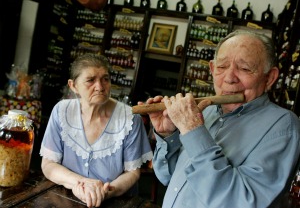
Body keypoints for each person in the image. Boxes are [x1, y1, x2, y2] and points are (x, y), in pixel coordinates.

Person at [142, 30, 300, 208]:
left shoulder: (284, 125)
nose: (229, 78)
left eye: (245, 68)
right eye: (222, 67)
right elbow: (168, 177)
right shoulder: (206, 112)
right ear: (212, 69)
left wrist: (193, 131)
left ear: (270, 78)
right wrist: (168, 134)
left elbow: (241, 203)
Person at [40, 53, 153, 208]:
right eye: (90, 80)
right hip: (66, 199)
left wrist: (105, 192)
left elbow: (132, 173)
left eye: (105, 79)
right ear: (73, 86)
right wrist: (81, 183)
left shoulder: (130, 119)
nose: (100, 87)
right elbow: (48, 164)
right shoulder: (62, 111)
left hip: (115, 201)